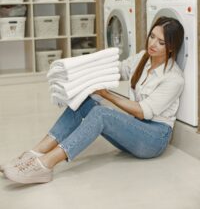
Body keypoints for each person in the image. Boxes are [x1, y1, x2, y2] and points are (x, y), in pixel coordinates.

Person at [1, 16, 185, 184]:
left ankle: (45, 164)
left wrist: (106, 94)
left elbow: (143, 111)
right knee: (87, 101)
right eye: (152, 36)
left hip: (153, 139)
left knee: (101, 113)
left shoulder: (174, 78)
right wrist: (86, 71)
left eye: (161, 42)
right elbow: (117, 70)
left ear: (171, 47)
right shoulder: (143, 58)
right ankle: (35, 153)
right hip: (135, 130)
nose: (153, 43)